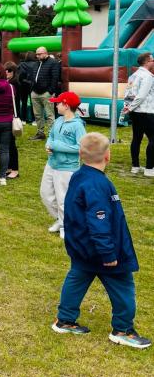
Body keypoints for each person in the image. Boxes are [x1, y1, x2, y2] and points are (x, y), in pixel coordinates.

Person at [52, 132, 150, 349]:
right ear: (108, 155)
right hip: (101, 250)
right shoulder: (97, 184)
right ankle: (123, 330)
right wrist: (108, 253)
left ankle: (65, 319)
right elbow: (99, 221)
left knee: (78, 277)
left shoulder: (80, 176)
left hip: (83, 247)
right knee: (123, 285)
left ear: (80, 154)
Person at [40, 92, 86, 238]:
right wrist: (48, 145)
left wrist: (56, 146)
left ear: (66, 106)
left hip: (67, 168)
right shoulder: (59, 120)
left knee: (63, 199)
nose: (56, 105)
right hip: (52, 164)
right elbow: (51, 136)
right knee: (45, 194)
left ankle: (66, 226)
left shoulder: (78, 126)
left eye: (58, 103)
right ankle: (60, 220)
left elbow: (81, 147)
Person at [122, 51, 154, 177]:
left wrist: (128, 107)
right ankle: (149, 168)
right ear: (147, 62)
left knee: (137, 138)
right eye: (152, 60)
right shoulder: (148, 77)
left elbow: (128, 94)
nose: (153, 62)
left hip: (135, 112)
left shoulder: (133, 76)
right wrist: (130, 108)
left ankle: (135, 166)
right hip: (146, 111)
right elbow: (141, 96)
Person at [30, 46, 60, 140]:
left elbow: (55, 78)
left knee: (50, 115)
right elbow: (32, 76)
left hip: (46, 93)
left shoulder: (53, 63)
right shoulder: (36, 63)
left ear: (45, 53)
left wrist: (50, 91)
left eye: (39, 54)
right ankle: (40, 133)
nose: (37, 56)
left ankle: (52, 135)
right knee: (37, 115)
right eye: (36, 54)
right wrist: (32, 88)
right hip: (35, 92)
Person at [4, 62, 21, 178]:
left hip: (12, 115)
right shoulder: (8, 82)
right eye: (5, 70)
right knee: (7, 143)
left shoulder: (14, 84)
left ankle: (15, 169)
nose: (7, 72)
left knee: (11, 143)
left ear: (14, 72)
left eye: (9, 70)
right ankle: (10, 167)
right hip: (8, 114)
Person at [17, 51, 35, 123]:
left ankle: (23, 119)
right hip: (33, 85)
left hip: (23, 85)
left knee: (24, 103)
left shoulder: (21, 64)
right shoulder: (36, 64)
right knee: (33, 103)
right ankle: (34, 120)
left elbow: (19, 76)